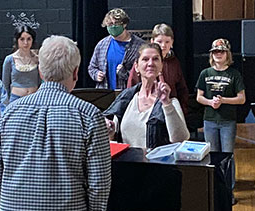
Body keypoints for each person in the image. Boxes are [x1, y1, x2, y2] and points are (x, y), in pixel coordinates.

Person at [0, 35, 112, 211]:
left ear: (40, 71)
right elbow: (99, 185)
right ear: (76, 73)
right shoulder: (89, 116)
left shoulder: (9, 113)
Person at [104, 43, 190, 149]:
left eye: (155, 59)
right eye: (145, 59)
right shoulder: (126, 99)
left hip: (155, 164)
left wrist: (166, 104)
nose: (150, 63)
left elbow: (181, 139)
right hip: (126, 163)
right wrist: (110, 132)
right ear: (136, 66)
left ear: (162, 65)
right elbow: (112, 136)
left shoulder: (170, 101)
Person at [196, 38, 245, 188]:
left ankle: (228, 188)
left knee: (227, 155)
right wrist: (211, 102)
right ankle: (214, 186)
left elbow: (241, 99)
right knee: (212, 155)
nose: (218, 54)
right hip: (209, 120)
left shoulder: (234, 74)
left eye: (221, 51)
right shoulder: (205, 73)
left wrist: (223, 100)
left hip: (227, 121)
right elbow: (199, 97)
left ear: (227, 54)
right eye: (215, 52)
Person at [127, 23, 190, 115]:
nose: (163, 45)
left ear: (172, 42)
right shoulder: (142, 63)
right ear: (152, 41)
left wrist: (182, 111)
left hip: (169, 109)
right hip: (146, 110)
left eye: (167, 42)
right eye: (159, 42)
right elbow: (131, 87)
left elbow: (181, 89)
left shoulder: (174, 62)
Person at [88, 8, 146, 90]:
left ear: (124, 24)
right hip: (105, 93)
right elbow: (92, 67)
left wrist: (124, 73)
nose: (113, 26)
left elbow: (143, 72)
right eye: (110, 24)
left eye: (116, 23)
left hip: (128, 93)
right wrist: (96, 74)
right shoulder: (102, 45)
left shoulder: (139, 46)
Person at [2, 25, 41, 100]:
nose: (25, 43)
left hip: (34, 99)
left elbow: (40, 82)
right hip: (16, 99)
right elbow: (5, 85)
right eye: (22, 39)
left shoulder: (37, 59)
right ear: (17, 40)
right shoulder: (10, 59)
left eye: (29, 39)